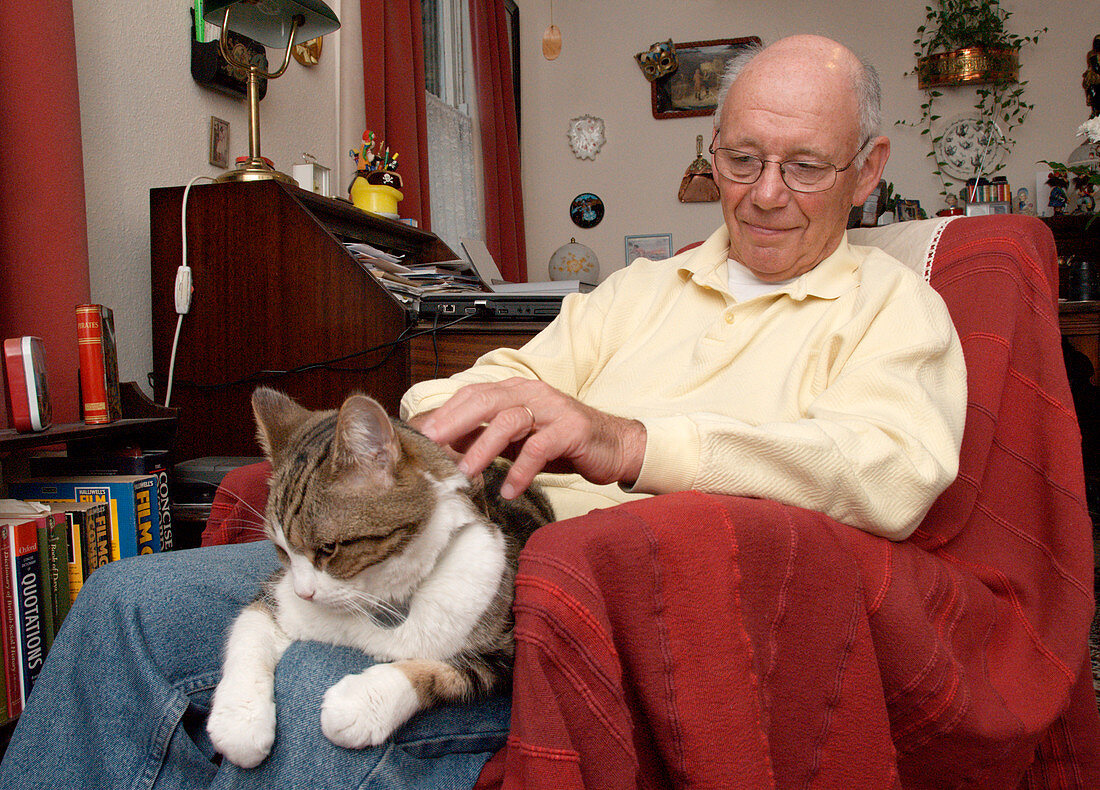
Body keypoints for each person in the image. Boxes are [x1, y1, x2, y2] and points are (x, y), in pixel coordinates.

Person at [0, 34, 965, 789]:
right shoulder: (643, 291)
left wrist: (627, 441)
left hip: (576, 614)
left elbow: (889, 471)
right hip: (440, 550)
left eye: (802, 168)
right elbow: (470, 386)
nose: (760, 196)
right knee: (120, 601)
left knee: (309, 687)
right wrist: (422, 435)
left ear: (868, 168)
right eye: (740, 158)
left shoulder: (893, 311)